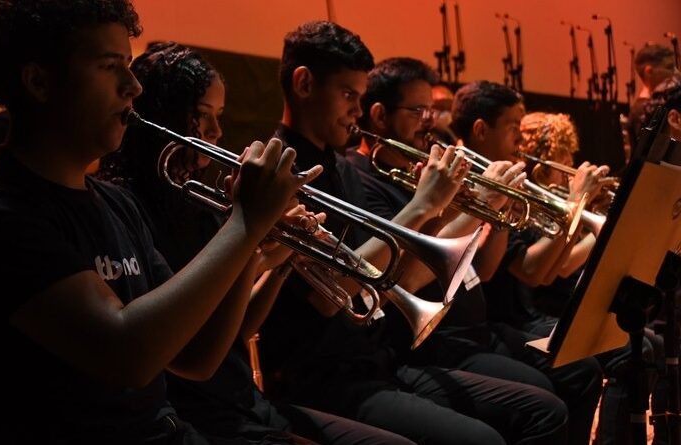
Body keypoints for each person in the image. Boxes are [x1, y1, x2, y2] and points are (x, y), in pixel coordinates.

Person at [0, 1, 320, 443]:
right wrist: (243, 223)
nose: (133, 86)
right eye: (110, 66)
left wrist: (250, 240)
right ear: (39, 81)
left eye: (129, 66)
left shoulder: (115, 204)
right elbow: (127, 354)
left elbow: (197, 356)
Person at [260, 21, 569, 445]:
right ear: (304, 84)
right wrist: (423, 207)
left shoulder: (342, 170)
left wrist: (448, 212)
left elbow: (394, 275)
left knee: (542, 408)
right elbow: (332, 295)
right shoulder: (279, 175)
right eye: (348, 95)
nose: (357, 110)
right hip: (322, 376)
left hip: (378, 359)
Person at [98, 40, 415, 445]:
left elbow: (240, 327)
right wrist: (248, 230)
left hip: (245, 400)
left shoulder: (200, 208)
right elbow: (195, 355)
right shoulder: (132, 208)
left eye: (219, 116)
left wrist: (281, 258)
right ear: (165, 116)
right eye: (202, 115)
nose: (216, 132)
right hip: (203, 411)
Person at [450, 81, 610, 445]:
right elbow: (534, 272)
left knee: (594, 364)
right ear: (481, 130)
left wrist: (577, 211)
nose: (519, 142)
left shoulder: (506, 177)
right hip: (498, 319)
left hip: (513, 315)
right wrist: (576, 206)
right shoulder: (459, 179)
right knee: (561, 384)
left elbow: (548, 271)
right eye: (513, 129)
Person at [627, 44, 680, 157]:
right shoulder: (640, 111)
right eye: (669, 67)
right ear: (649, 71)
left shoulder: (672, 98)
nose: (676, 72)